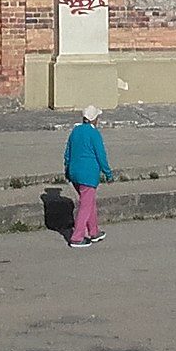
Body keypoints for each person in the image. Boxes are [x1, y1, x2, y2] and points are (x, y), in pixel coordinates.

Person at [63, 104, 114, 246]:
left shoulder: (75, 131)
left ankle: (94, 232)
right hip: (88, 175)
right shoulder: (94, 134)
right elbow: (101, 156)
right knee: (85, 206)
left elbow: (67, 153)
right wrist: (108, 173)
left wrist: (67, 170)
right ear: (94, 119)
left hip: (74, 172)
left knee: (89, 202)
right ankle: (77, 237)